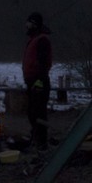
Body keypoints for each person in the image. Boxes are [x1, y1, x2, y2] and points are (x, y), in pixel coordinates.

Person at [21, 11, 52, 149]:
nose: (26, 26)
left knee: (38, 112)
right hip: (32, 81)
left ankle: (42, 141)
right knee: (32, 112)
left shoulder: (41, 40)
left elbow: (43, 63)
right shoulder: (34, 40)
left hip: (39, 82)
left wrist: (38, 82)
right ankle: (36, 136)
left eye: (28, 23)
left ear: (34, 24)